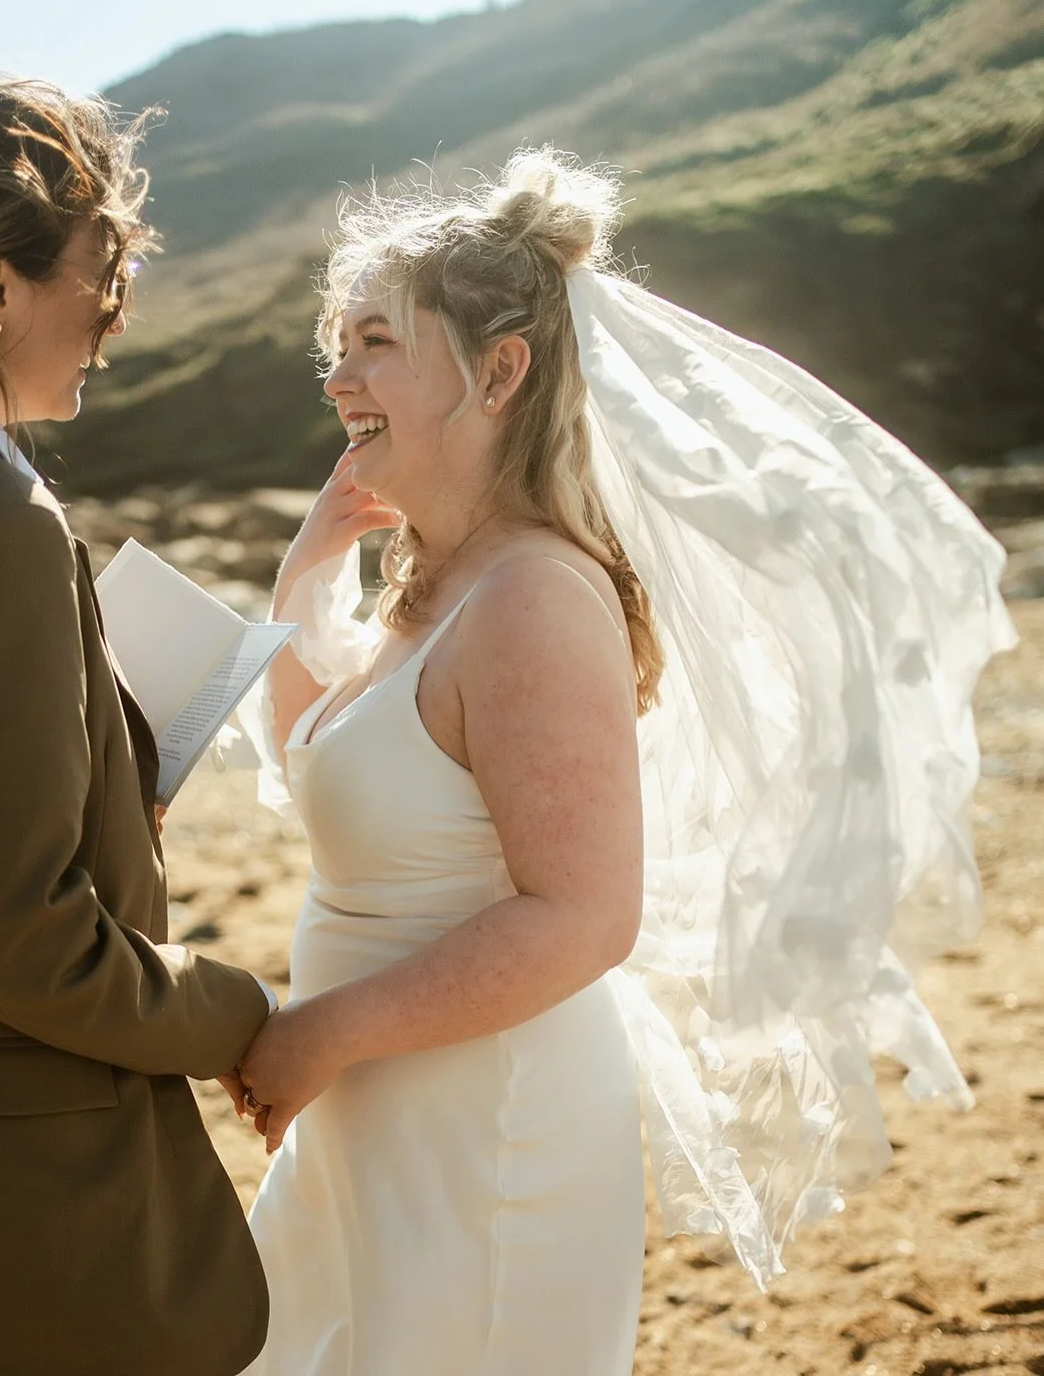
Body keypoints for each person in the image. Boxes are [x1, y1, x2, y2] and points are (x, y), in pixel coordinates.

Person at [235, 148, 1014, 1374]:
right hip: (369, 1117)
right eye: (335, 345)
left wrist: (324, 1033)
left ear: (499, 371)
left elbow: (583, 915)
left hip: (479, 1127)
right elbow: (317, 758)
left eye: (375, 340)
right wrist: (306, 569)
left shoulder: (534, 597)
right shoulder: (432, 590)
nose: (336, 378)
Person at [0, 76, 276, 1376]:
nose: (117, 310)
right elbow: (19, 934)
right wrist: (241, 1015)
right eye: (106, 266)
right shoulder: (3, 527)